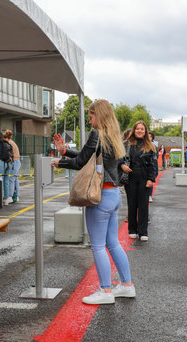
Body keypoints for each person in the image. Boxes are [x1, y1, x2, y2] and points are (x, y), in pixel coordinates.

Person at [51, 99, 135, 305]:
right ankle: (126, 285)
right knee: (113, 244)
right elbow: (86, 155)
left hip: (99, 197)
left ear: (100, 115)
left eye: (91, 116)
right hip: (113, 195)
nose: (90, 120)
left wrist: (59, 162)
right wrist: (64, 152)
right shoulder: (114, 137)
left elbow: (81, 161)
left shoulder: (97, 135)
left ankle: (105, 290)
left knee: (98, 246)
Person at [121, 121, 158, 241]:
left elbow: (154, 164)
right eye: (137, 129)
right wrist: (122, 165)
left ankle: (143, 232)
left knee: (143, 206)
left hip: (144, 178)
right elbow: (118, 158)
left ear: (145, 131)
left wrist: (151, 179)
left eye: (142, 129)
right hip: (130, 177)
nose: (139, 131)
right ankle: (132, 230)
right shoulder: (126, 144)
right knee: (132, 204)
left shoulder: (151, 146)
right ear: (134, 130)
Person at [4, 130, 20, 203]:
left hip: (14, 161)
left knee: (11, 179)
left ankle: (10, 196)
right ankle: (16, 196)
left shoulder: (9, 143)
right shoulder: (12, 142)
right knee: (15, 179)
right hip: (17, 161)